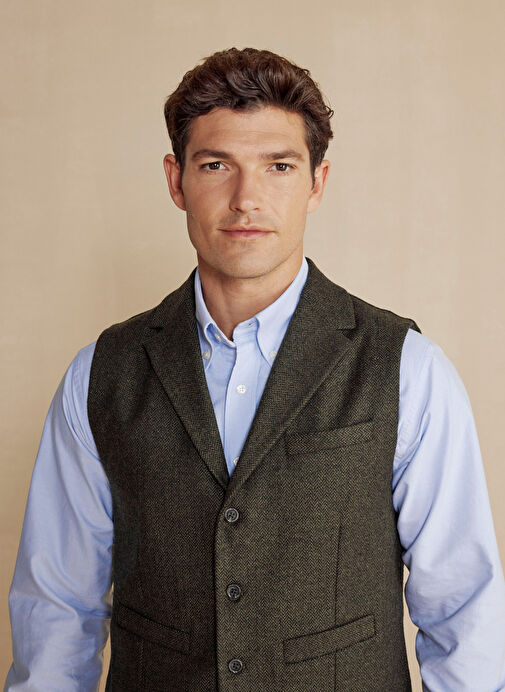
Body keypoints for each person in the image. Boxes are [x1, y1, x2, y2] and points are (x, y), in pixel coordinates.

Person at [4, 47, 505, 692]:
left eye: (279, 167)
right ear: (176, 181)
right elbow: (56, 608)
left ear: (316, 183)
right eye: (216, 165)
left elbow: (464, 609)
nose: (246, 199)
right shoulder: (101, 375)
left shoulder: (408, 369)